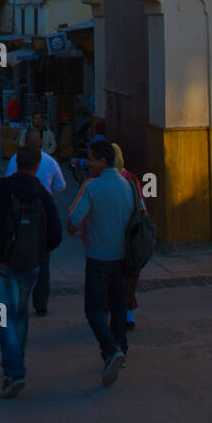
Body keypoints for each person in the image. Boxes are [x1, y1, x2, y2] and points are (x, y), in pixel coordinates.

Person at [0, 144, 62, 398]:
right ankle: (15, 361)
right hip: (30, 265)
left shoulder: (2, 189)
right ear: (36, 167)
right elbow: (56, 234)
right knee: (20, 313)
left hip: (1, 262)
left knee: (2, 316)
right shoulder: (42, 194)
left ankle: (14, 370)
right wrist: (38, 251)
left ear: (14, 162)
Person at [67, 138, 136, 385]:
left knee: (94, 309)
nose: (89, 163)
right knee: (118, 306)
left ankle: (110, 348)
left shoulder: (91, 186)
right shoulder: (129, 186)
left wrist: (72, 229)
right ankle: (121, 349)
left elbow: (74, 219)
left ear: (103, 161)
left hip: (97, 257)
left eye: (92, 159)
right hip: (121, 258)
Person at [5, 129, 65, 315]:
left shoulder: (15, 159)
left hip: (17, 215)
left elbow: (7, 182)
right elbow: (61, 186)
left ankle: (18, 300)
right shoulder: (50, 161)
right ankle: (40, 304)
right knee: (43, 262)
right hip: (42, 215)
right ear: (40, 142)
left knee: (15, 255)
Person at [113, 143, 145, 329]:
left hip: (112, 239)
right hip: (131, 237)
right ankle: (129, 314)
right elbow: (142, 207)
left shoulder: (102, 181)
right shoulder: (132, 179)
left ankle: (112, 313)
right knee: (130, 278)